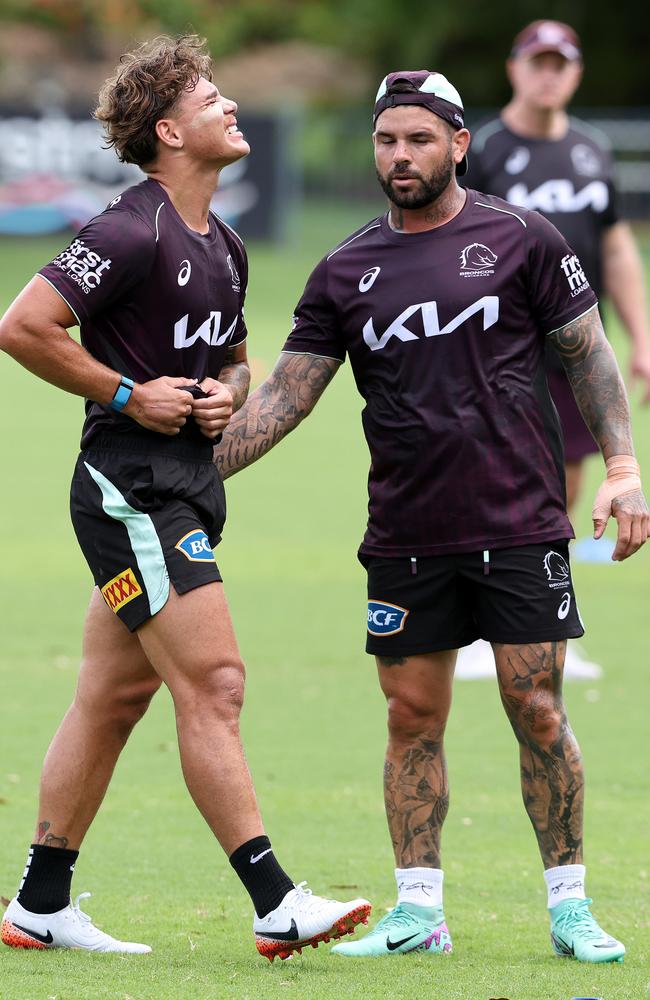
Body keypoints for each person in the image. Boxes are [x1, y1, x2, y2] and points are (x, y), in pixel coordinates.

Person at [213, 70, 649, 963]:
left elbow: (590, 358)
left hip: (523, 523)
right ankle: (421, 912)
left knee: (536, 705)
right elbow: (286, 398)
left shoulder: (524, 238)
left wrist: (623, 469)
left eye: (418, 139)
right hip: (407, 533)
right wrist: (192, 468)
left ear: (457, 143)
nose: (399, 156)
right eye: (385, 140)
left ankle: (570, 908)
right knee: (412, 718)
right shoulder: (345, 268)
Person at [0, 35, 370, 961]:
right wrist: (127, 393)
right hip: (131, 493)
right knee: (217, 683)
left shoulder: (228, 243)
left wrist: (227, 393)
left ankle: (39, 905)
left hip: (183, 490)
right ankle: (276, 901)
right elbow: (23, 325)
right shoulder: (129, 229)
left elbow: (239, 360)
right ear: (169, 130)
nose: (231, 106)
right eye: (211, 98)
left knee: (111, 698)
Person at [456, 19, 650, 682]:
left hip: (571, 347)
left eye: (559, 63)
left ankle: (541, 621)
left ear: (574, 73)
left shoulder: (592, 152)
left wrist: (642, 337)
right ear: (514, 68)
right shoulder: (481, 150)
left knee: (563, 485)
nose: (548, 73)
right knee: (492, 478)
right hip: (496, 347)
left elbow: (616, 246)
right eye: (536, 61)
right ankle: (480, 629)